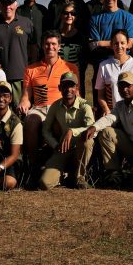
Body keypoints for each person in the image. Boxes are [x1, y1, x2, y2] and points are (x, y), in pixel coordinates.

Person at [21, 31, 80, 176]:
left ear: (59, 46)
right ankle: (33, 166)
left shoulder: (70, 67)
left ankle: (61, 164)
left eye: (54, 44)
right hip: (40, 108)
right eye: (47, 44)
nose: (50, 47)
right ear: (42, 46)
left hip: (60, 107)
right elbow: (26, 96)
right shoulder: (31, 69)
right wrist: (23, 103)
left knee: (60, 122)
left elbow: (77, 94)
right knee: (30, 120)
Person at [39, 73, 95, 190]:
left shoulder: (85, 106)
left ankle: (80, 177)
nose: (68, 89)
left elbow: (92, 128)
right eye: (65, 86)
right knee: (45, 183)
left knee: (88, 141)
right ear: (60, 88)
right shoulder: (55, 106)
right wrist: (55, 145)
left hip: (80, 149)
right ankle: (66, 177)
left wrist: (72, 131)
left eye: (71, 86)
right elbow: (45, 130)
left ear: (76, 88)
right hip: (62, 150)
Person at [0, 0, 37, 105]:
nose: (8, 7)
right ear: (0, 5)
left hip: (20, 77)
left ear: (16, 5)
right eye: (4, 3)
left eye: (10, 3)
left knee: (20, 111)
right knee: (0, 111)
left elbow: (33, 48)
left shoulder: (26, 22)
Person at [94, 29, 133, 117]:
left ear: (127, 44)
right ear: (111, 45)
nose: (119, 46)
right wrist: (107, 110)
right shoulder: (104, 66)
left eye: (122, 43)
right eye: (116, 43)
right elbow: (100, 96)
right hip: (113, 114)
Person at [87, 0, 133, 67]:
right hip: (102, 64)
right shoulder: (95, 19)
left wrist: (102, 43)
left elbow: (129, 44)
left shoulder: (128, 17)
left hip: (124, 64)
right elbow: (94, 45)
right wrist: (120, 44)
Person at [56, 2, 89, 98]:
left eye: (73, 13)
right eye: (66, 13)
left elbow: (84, 61)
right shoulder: (55, 36)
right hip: (57, 78)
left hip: (76, 78)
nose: (69, 16)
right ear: (61, 15)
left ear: (76, 16)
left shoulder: (81, 37)